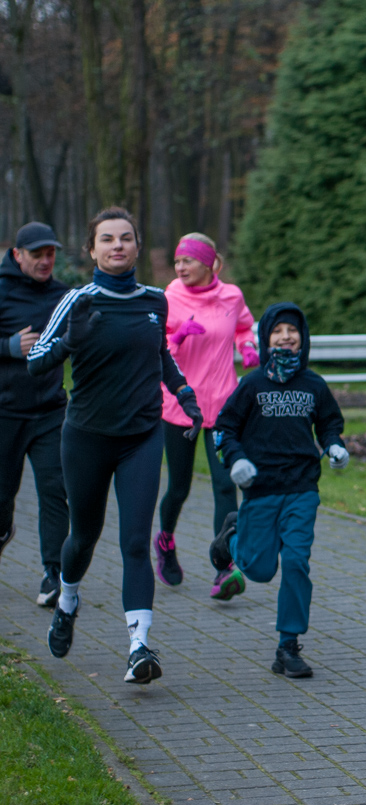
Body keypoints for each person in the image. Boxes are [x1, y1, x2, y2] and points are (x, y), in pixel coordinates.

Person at [28, 206, 203, 684]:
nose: (117, 245)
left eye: (125, 238)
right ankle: (67, 602)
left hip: (142, 437)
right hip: (86, 438)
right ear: (92, 250)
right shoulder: (77, 301)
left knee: (134, 542)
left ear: (138, 247)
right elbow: (37, 361)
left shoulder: (155, 301)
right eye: (107, 239)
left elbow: (161, 355)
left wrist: (185, 394)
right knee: (83, 537)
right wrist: (70, 341)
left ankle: (139, 647)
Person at [212, 302, 347, 678]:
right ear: (265, 338)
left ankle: (288, 645)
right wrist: (236, 459)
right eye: (277, 331)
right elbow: (224, 428)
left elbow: (329, 423)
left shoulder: (314, 385)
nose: (286, 337)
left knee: (296, 562)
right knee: (258, 569)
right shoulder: (252, 384)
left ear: (303, 338)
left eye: (293, 331)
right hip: (261, 489)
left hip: (302, 489)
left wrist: (334, 445)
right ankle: (232, 537)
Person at [154, 232, 258, 592]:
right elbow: (155, 347)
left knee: (225, 485)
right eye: (177, 261)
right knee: (179, 487)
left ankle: (223, 565)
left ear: (209, 263)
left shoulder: (232, 296)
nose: (180, 267)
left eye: (188, 260)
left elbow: (243, 326)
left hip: (223, 405)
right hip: (181, 406)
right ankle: (165, 541)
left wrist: (248, 346)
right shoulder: (169, 297)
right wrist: (178, 336)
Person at [0, 222, 71, 607]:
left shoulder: (62, 295)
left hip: (50, 413)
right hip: (5, 412)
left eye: (50, 253)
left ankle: (53, 573)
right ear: (17, 255)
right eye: (37, 254)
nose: (45, 260)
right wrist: (9, 347)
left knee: (55, 491)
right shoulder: (2, 290)